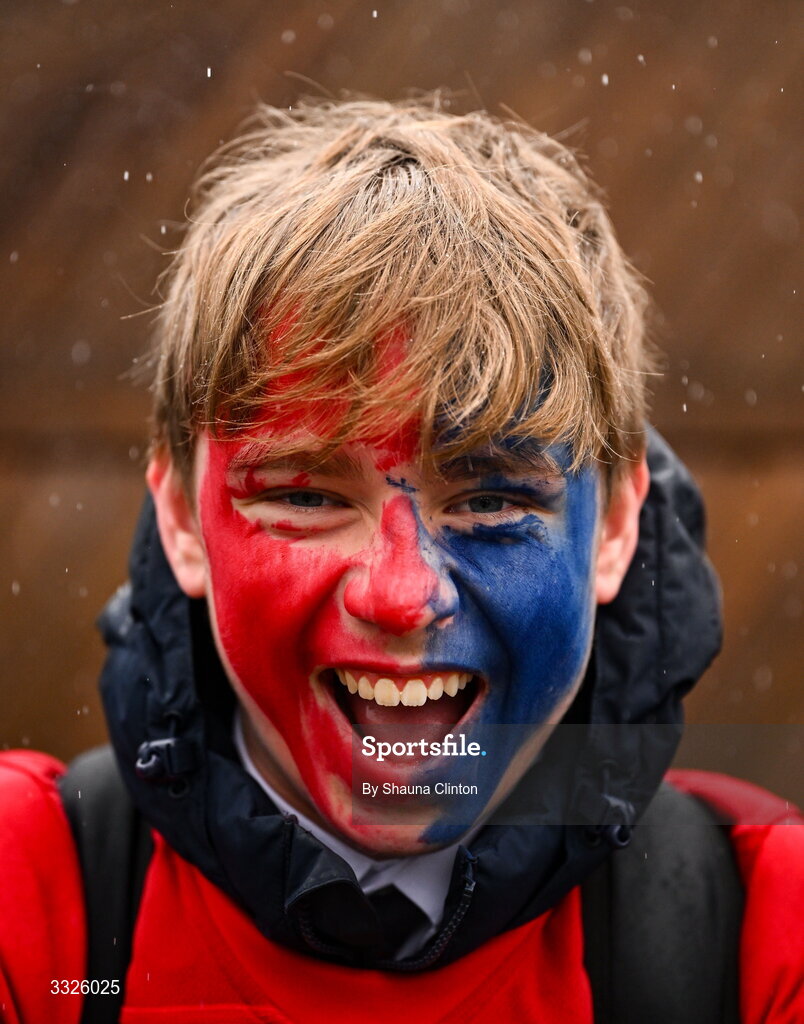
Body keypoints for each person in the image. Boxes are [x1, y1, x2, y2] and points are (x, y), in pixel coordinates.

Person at [1, 96, 800, 1024]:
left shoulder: (755, 942)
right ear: (180, 516)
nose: (402, 592)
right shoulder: (39, 921)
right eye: (305, 495)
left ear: (617, 525)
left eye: (493, 499)